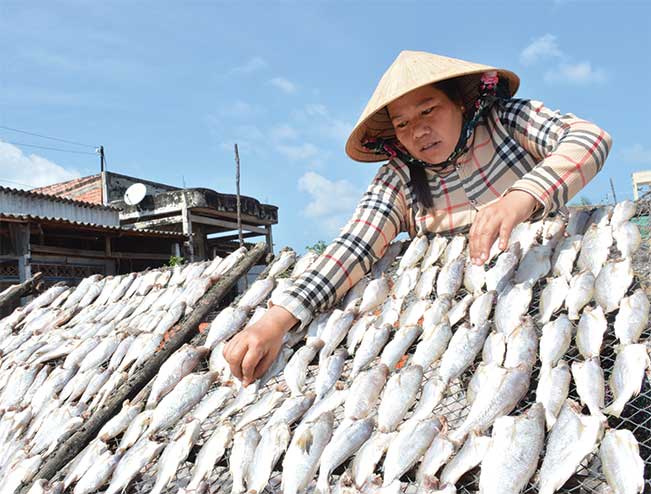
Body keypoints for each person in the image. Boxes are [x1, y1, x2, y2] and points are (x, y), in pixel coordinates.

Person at [224, 50, 611, 386]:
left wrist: (519, 199)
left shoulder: (508, 120)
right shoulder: (399, 176)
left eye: (429, 110)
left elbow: (589, 138)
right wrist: (274, 320)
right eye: (403, 123)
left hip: (561, 306)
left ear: (459, 102)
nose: (419, 131)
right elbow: (355, 245)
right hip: (467, 334)